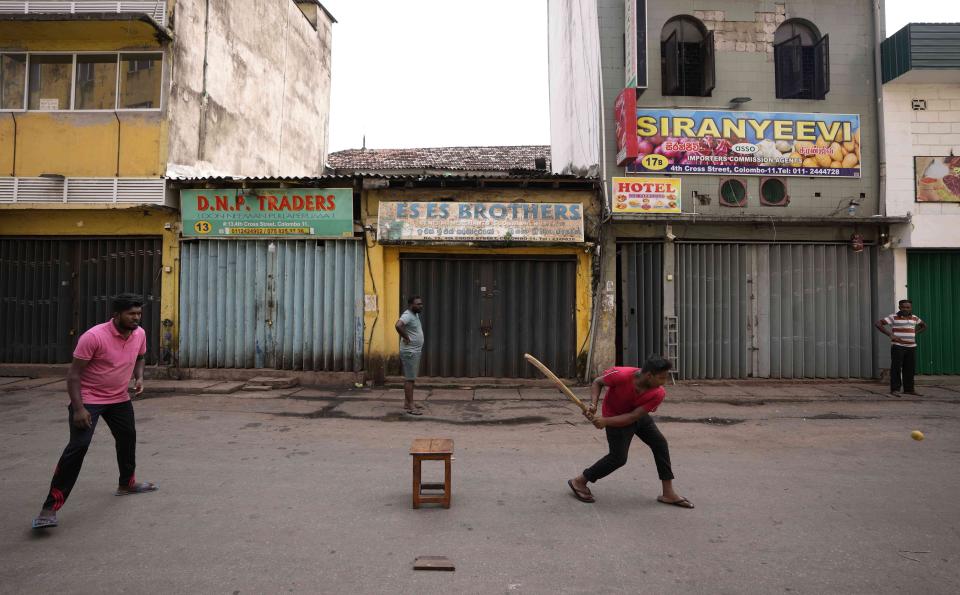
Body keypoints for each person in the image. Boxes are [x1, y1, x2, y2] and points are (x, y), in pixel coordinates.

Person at [32, 293, 158, 530]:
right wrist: (79, 409)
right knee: (78, 447)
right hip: (89, 399)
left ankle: (126, 484)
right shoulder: (93, 337)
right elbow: (73, 375)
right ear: (116, 314)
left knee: (127, 438)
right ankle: (49, 508)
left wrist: (139, 376)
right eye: (131, 314)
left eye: (139, 313)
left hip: (119, 398)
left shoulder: (139, 333)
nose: (136, 318)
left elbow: (140, 356)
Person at [567, 356, 693, 509]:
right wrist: (593, 404)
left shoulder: (658, 393)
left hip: (636, 416)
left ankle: (668, 492)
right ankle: (579, 481)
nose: (663, 382)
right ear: (649, 375)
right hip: (615, 416)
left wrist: (604, 422)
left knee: (659, 444)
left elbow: (634, 416)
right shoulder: (621, 375)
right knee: (618, 458)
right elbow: (597, 382)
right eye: (661, 378)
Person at [875, 299, 927, 397]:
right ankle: (895, 389)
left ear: (911, 308)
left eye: (908, 307)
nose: (905, 309)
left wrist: (915, 332)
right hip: (898, 347)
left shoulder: (915, 318)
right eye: (903, 307)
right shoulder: (893, 317)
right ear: (899, 307)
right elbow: (878, 324)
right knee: (896, 369)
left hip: (911, 347)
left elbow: (924, 326)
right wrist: (890, 334)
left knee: (909, 369)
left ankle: (909, 389)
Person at [395, 296, 425, 416]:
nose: (420, 306)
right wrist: (406, 337)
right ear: (411, 305)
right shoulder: (407, 315)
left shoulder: (414, 314)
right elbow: (398, 325)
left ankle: (407, 402)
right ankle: (410, 406)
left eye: (421, 304)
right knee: (410, 379)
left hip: (414, 351)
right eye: (418, 304)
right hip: (410, 352)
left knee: (411, 378)